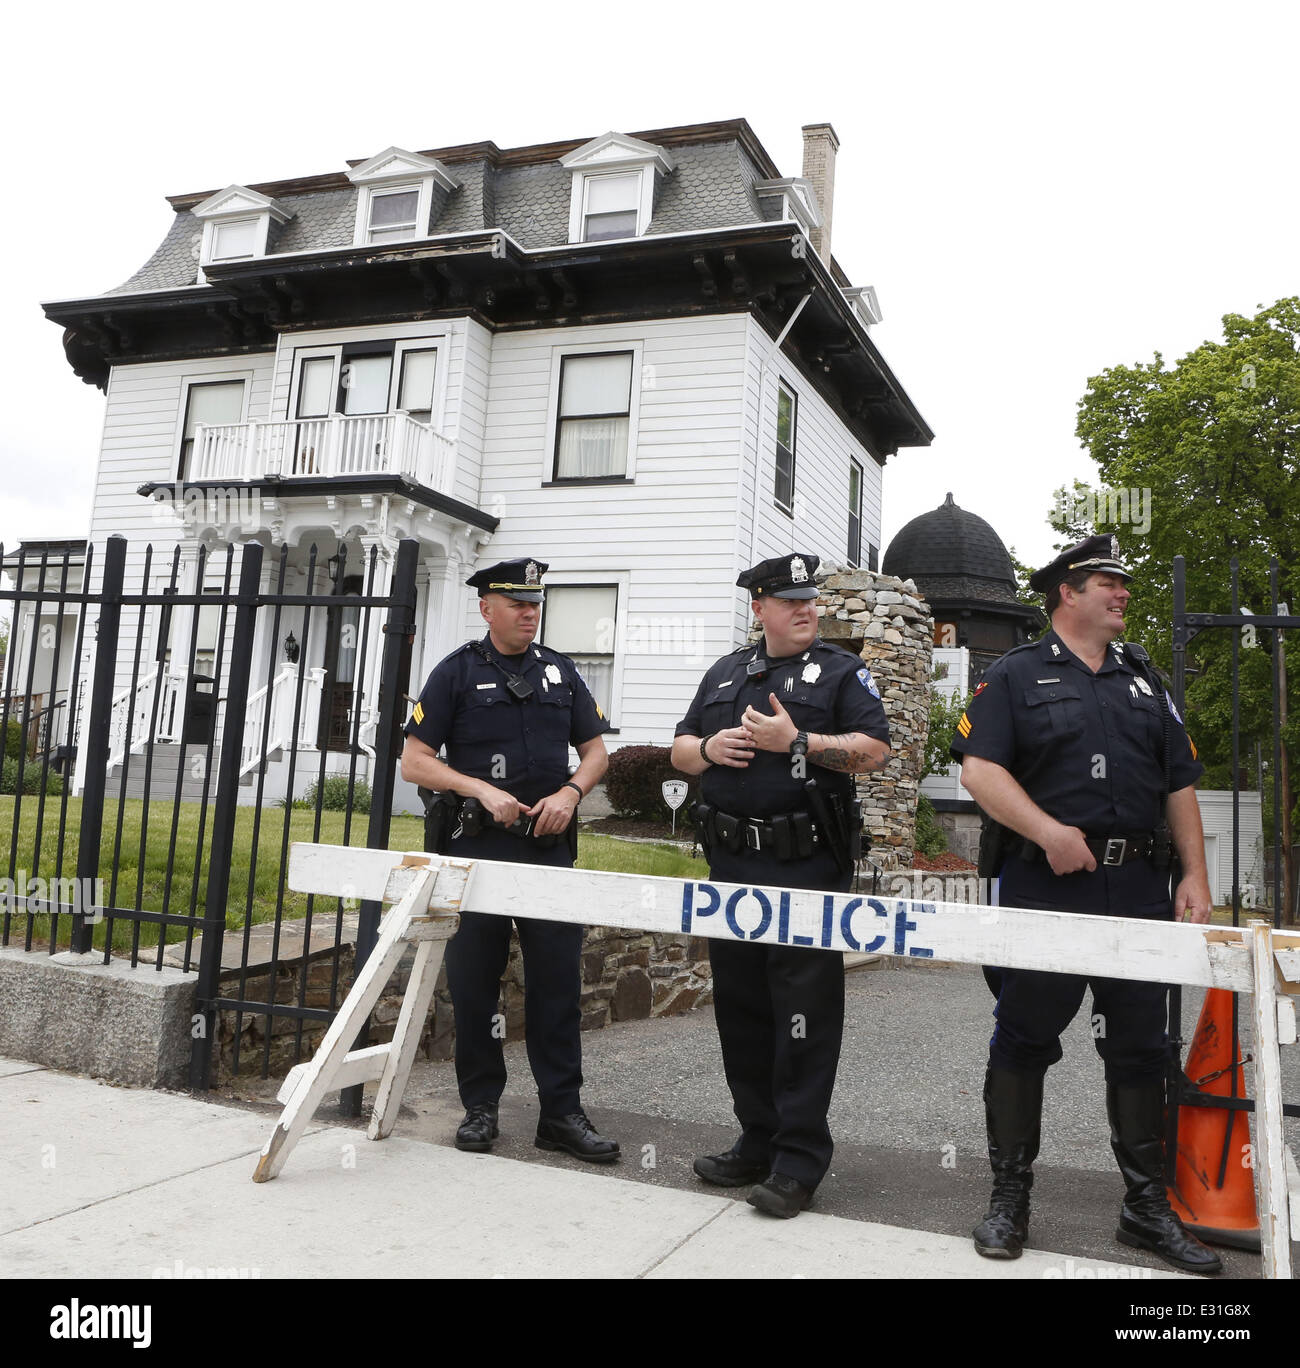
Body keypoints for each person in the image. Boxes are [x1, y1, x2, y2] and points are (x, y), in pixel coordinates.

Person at [949, 534, 1220, 1274]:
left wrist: (1195, 874)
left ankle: (1144, 1206)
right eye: (1109, 581)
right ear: (1067, 591)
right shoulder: (1015, 675)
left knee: (1139, 1046)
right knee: (1023, 1039)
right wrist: (1047, 830)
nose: (1123, 592)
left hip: (1138, 889)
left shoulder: (1144, 681)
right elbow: (979, 773)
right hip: (1046, 885)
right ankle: (1009, 1197)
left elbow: (1179, 782)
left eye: (1124, 582)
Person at [671, 553, 891, 1218]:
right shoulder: (727, 672)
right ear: (759, 607)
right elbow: (679, 745)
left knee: (803, 1018)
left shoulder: (842, 672)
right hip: (733, 867)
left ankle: (799, 1161)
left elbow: (874, 750)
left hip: (804, 870)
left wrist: (797, 740)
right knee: (741, 1010)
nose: (806, 610)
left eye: (811, 600)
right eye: (790, 600)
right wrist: (708, 752)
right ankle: (756, 1141)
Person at [399, 557, 619, 1163]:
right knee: (474, 987)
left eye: (535, 603)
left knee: (557, 987)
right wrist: (480, 789)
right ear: (486, 607)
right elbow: (415, 760)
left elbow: (597, 750)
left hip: (547, 851)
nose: (530, 612)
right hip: (478, 851)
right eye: (517, 602)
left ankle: (562, 1114)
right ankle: (480, 1109)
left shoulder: (560, 672)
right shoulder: (457, 673)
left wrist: (572, 792)